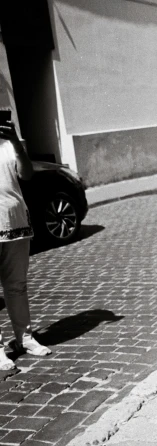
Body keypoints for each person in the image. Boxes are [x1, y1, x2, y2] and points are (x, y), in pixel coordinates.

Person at [0, 113, 51, 371]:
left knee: (17, 286)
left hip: (15, 222)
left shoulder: (9, 142)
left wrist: (15, 142)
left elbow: (27, 174)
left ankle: (25, 338)